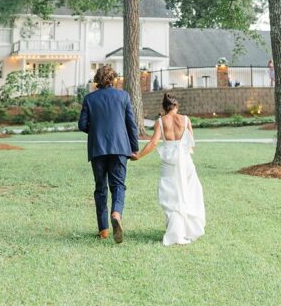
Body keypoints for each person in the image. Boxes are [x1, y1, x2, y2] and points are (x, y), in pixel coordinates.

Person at [131, 93, 206, 245]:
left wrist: (138, 155)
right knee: (188, 193)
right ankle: (185, 230)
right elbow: (192, 145)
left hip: (169, 163)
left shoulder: (160, 121)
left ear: (164, 108)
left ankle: (175, 231)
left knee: (170, 195)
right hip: (185, 162)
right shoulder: (186, 120)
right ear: (176, 106)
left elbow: (153, 144)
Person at [78, 63, 139, 242]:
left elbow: (82, 125)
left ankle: (103, 229)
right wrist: (134, 148)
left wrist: (96, 131)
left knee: (100, 188)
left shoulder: (89, 99)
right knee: (118, 185)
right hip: (120, 148)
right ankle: (116, 214)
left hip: (98, 148)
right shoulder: (123, 96)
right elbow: (131, 126)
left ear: (97, 80)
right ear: (113, 79)